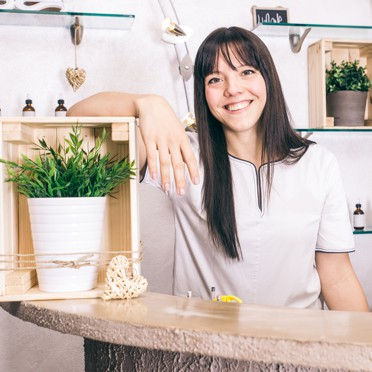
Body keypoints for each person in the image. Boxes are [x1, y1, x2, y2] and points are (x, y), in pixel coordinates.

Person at [68, 26, 369, 311]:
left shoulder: (317, 164)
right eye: (215, 79)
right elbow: (76, 116)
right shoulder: (182, 154)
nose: (232, 89)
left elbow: (337, 276)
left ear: (268, 80)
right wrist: (146, 103)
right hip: (206, 349)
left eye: (246, 72)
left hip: (297, 350)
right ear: (203, 93)